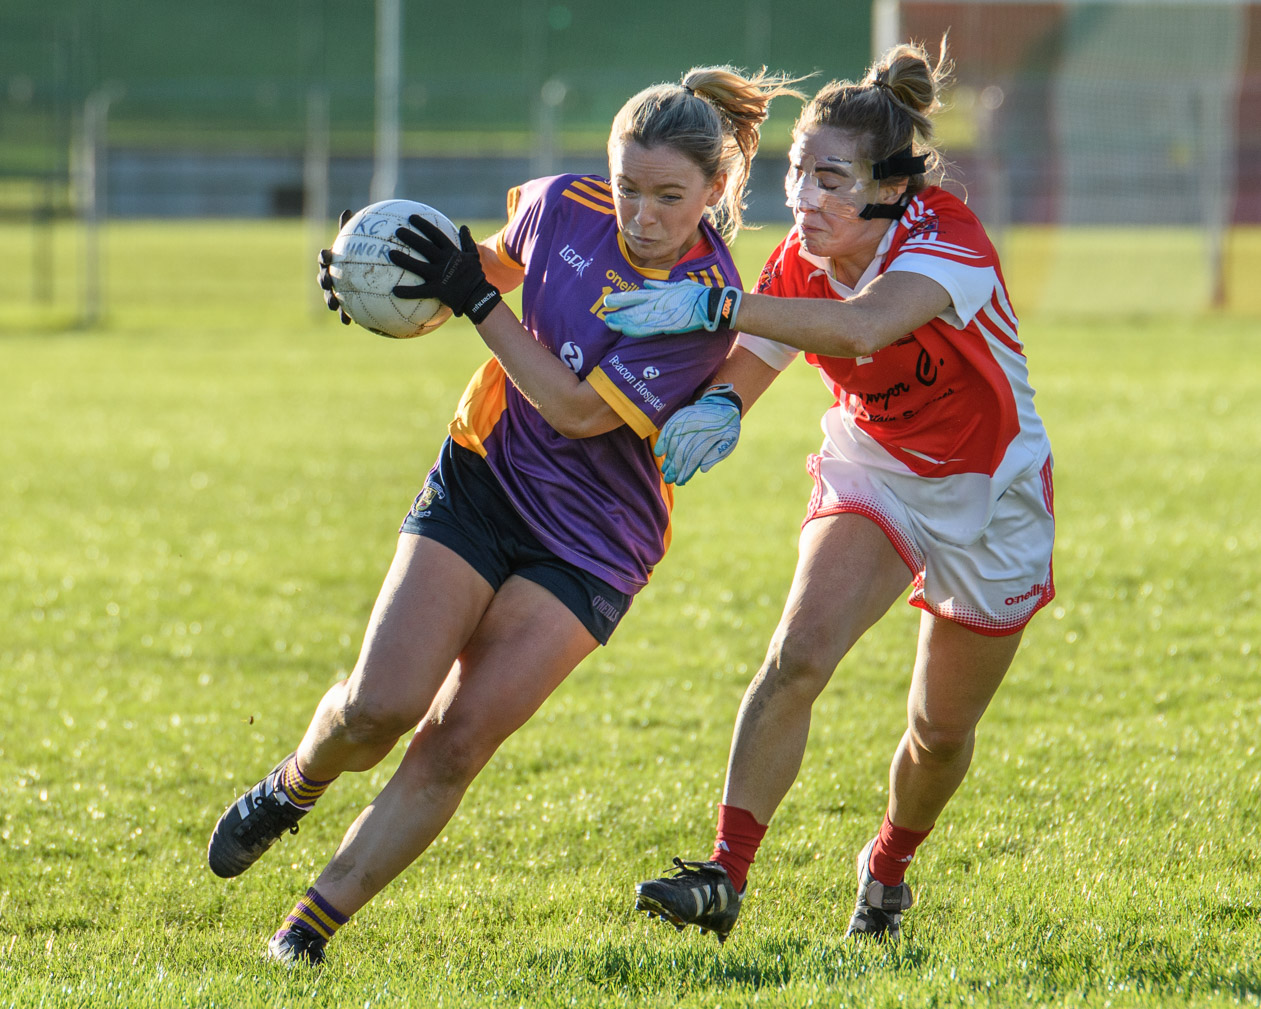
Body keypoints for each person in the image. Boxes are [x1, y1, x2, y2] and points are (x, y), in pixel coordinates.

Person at [205, 66, 804, 966]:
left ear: (714, 191)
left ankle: (308, 926)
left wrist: (481, 304)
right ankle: (295, 784)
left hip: (594, 543)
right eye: (628, 187)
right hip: (485, 476)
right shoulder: (565, 203)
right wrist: (388, 280)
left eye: (668, 197)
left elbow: (574, 409)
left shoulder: (703, 304)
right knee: (379, 706)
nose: (640, 214)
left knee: (456, 739)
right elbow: (479, 272)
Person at [603, 41, 1055, 944]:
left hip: (991, 489)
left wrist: (713, 307)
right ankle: (723, 874)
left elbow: (862, 328)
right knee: (796, 654)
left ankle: (885, 868)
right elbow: (757, 359)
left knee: (936, 731)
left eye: (830, 180)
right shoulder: (797, 259)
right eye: (796, 174)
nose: (804, 199)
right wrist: (720, 406)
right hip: (874, 467)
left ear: (892, 187)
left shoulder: (944, 237)